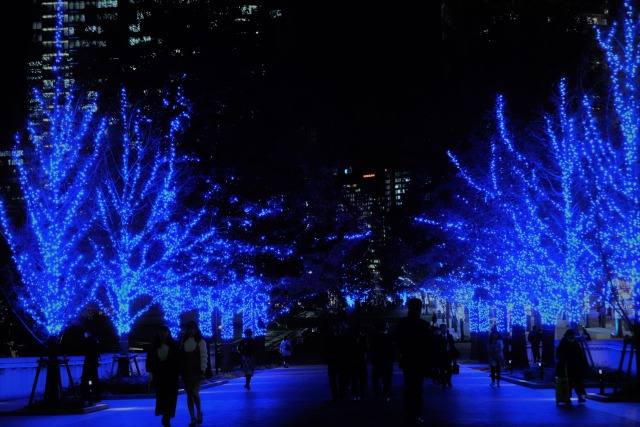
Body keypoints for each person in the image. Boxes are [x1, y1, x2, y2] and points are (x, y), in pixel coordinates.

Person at [394, 298, 433, 425]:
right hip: (419, 360)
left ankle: (409, 413)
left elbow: (398, 341)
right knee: (417, 388)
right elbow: (428, 345)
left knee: (409, 386)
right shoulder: (423, 324)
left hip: (408, 359)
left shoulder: (402, 323)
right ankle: (415, 414)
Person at [146, 325, 180, 427]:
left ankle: (167, 417)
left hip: (171, 376)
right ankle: (165, 416)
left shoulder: (173, 346)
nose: (163, 334)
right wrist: (151, 373)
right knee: (162, 397)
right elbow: (150, 362)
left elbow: (178, 361)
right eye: (161, 332)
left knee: (170, 398)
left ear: (168, 333)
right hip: (159, 376)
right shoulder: (153, 347)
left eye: (164, 332)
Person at [178, 321, 208, 426]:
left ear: (196, 329)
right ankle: (192, 418)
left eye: (192, 329)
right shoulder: (183, 341)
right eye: (188, 329)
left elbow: (204, 356)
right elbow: (180, 357)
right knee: (189, 395)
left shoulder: (200, 341)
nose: (190, 331)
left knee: (195, 393)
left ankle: (199, 412)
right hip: (186, 372)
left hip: (196, 371)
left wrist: (203, 370)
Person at [555, 328, 588, 403]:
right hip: (566, 366)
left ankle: (579, 396)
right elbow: (559, 354)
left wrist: (582, 362)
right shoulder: (564, 343)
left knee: (578, 381)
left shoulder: (574, 342)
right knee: (568, 382)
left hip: (575, 365)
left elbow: (579, 354)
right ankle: (567, 397)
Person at [324, 321, 351, 402]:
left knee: (341, 379)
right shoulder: (332, 337)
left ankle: (341, 394)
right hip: (334, 361)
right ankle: (336, 395)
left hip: (340, 361)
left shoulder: (343, 336)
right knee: (333, 380)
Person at [369, 320, 394, 401]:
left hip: (383, 361)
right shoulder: (385, 336)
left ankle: (383, 393)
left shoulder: (378, 336)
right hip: (382, 361)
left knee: (382, 378)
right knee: (380, 378)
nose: (387, 326)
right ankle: (383, 393)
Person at [80, 329, 101, 405]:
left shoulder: (89, 342)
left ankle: (87, 396)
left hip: (89, 364)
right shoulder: (95, 341)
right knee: (94, 379)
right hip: (94, 363)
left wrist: (88, 363)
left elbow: (89, 353)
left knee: (85, 379)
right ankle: (96, 395)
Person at [435, 323, 458, 388]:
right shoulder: (438, 337)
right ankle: (444, 382)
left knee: (449, 370)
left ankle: (448, 380)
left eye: (445, 328)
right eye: (442, 328)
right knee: (442, 370)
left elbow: (452, 346)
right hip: (441, 356)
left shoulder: (450, 336)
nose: (444, 329)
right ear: (440, 329)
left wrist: (454, 357)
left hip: (449, 355)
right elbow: (437, 347)